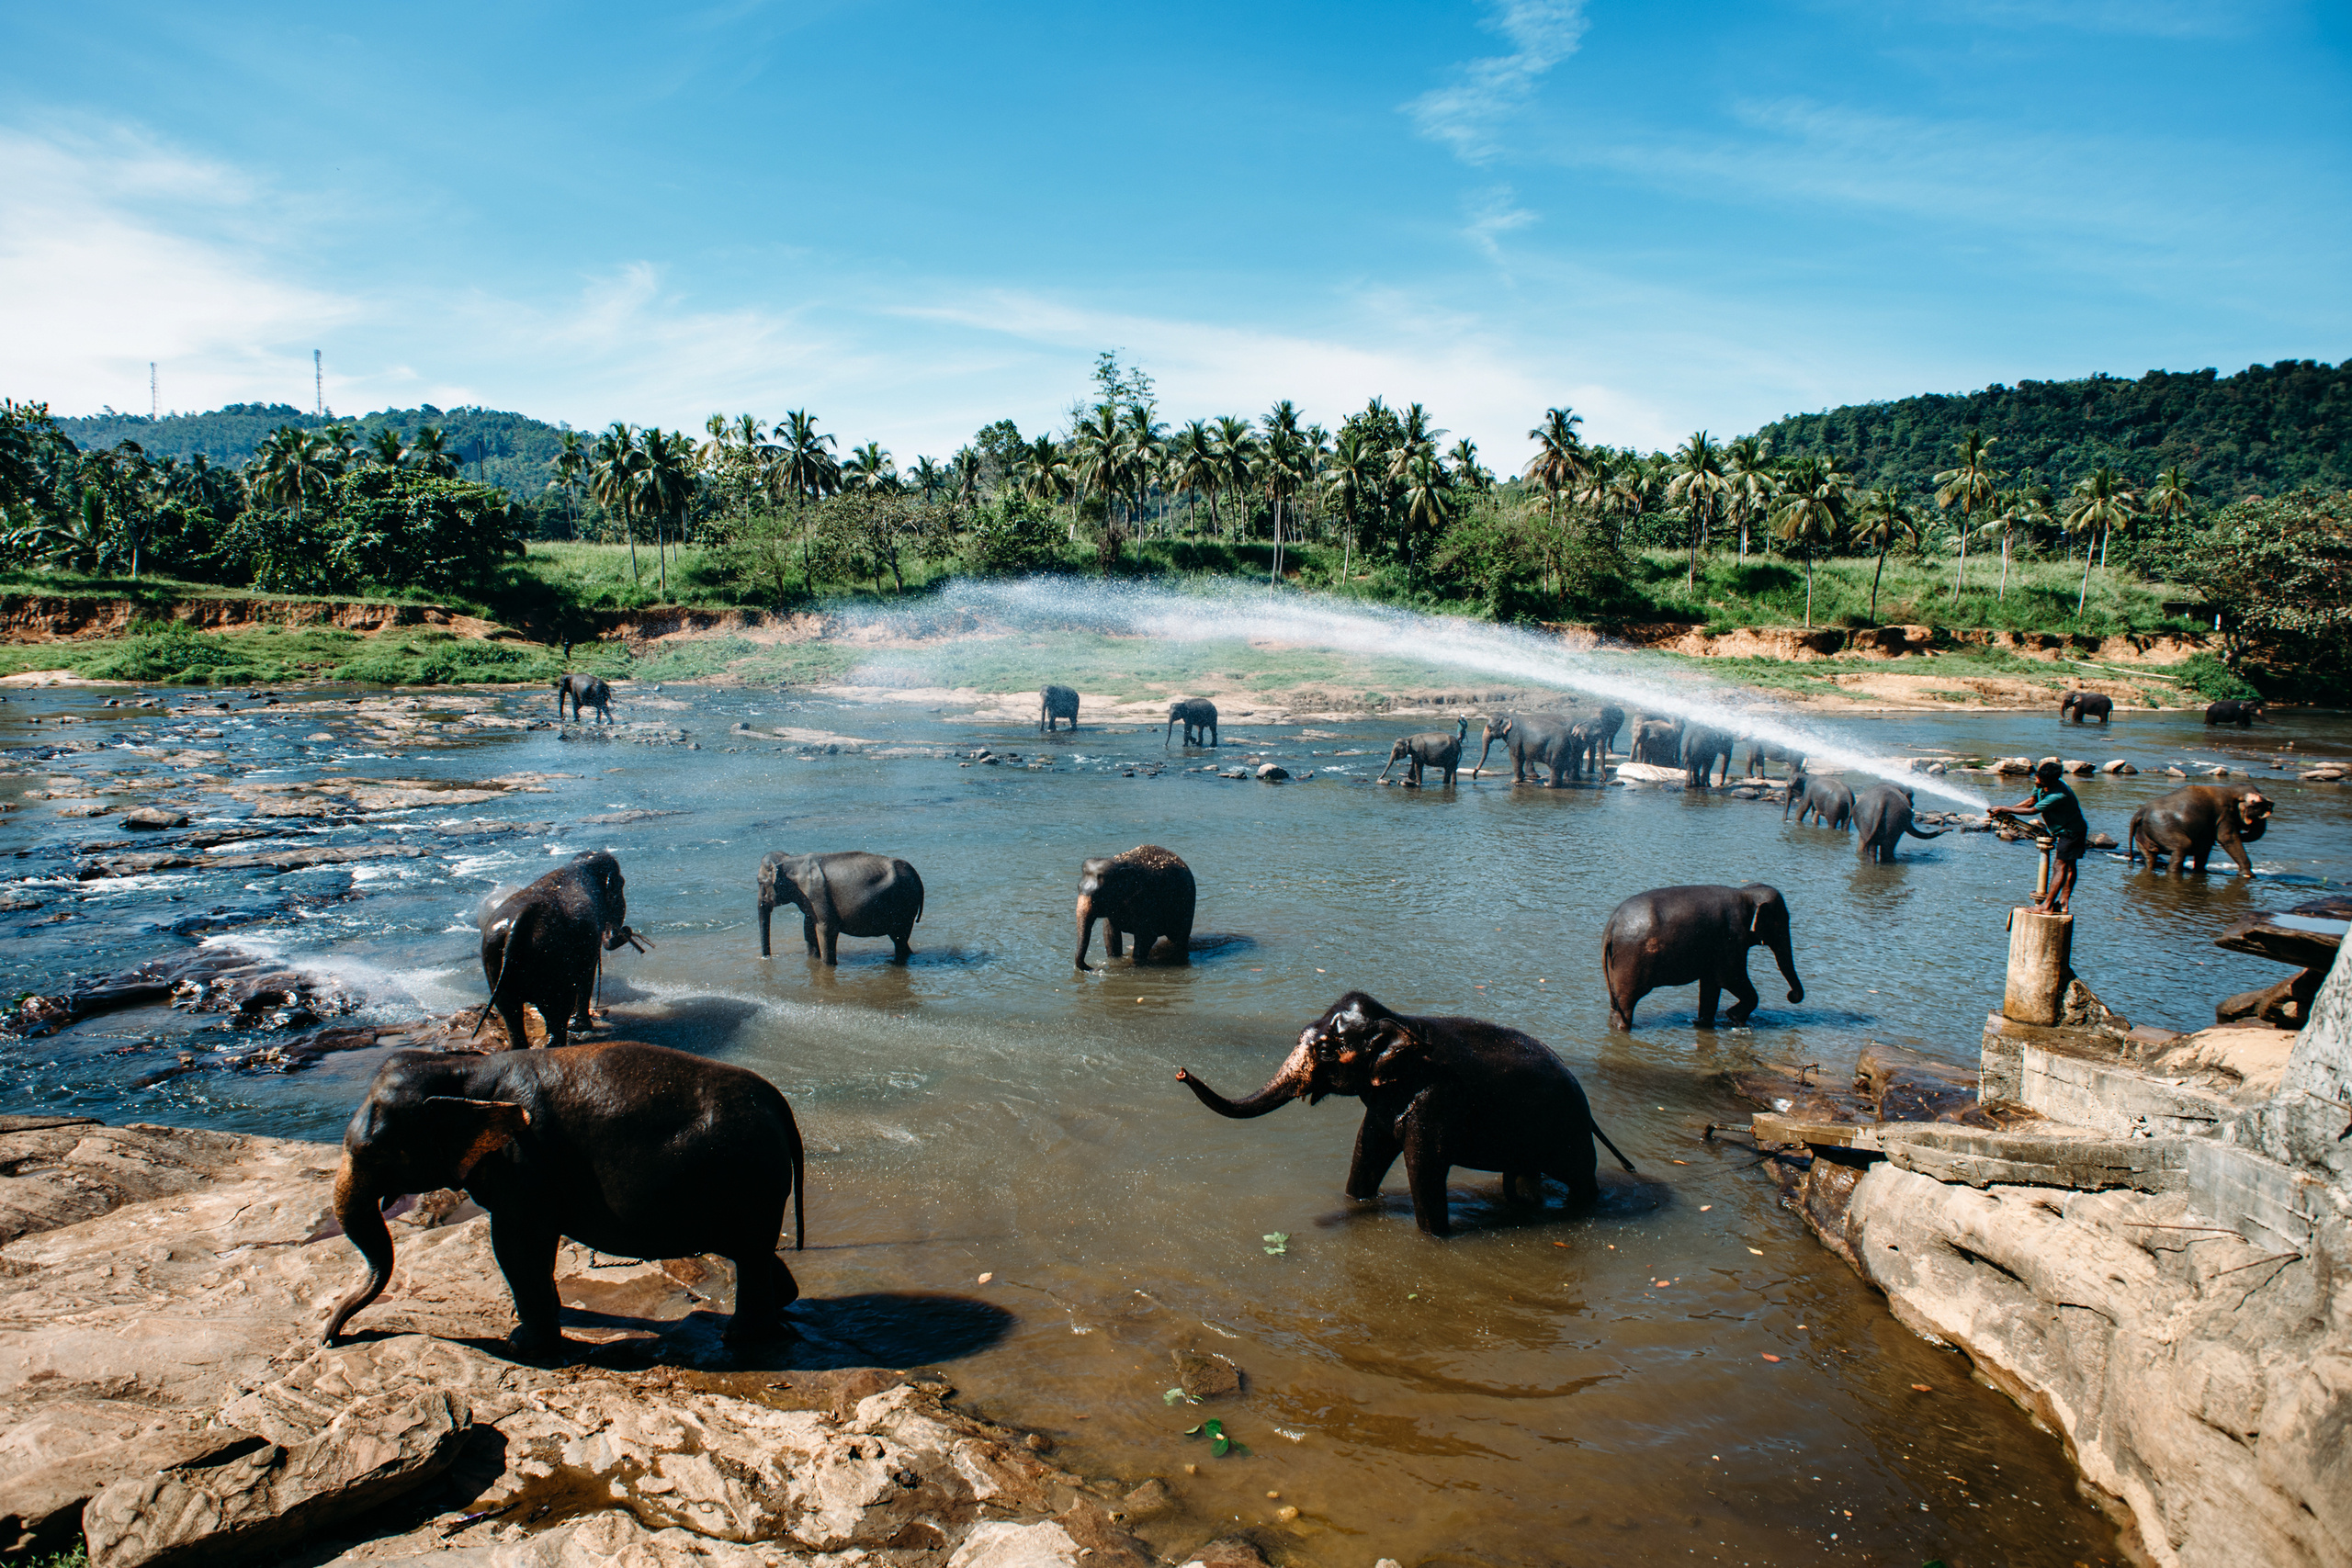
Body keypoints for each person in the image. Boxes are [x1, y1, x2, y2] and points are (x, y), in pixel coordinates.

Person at [1993, 761, 2090, 914]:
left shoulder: (2058, 795)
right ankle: (2063, 903)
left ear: (2051, 781)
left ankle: (2047, 906)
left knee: (2061, 866)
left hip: (2071, 832)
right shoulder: (2041, 784)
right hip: (2064, 830)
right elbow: (2032, 800)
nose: (2036, 781)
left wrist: (2005, 808)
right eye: (2037, 777)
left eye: (2040, 780)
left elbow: (2033, 810)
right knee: (2069, 866)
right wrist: (2008, 811)